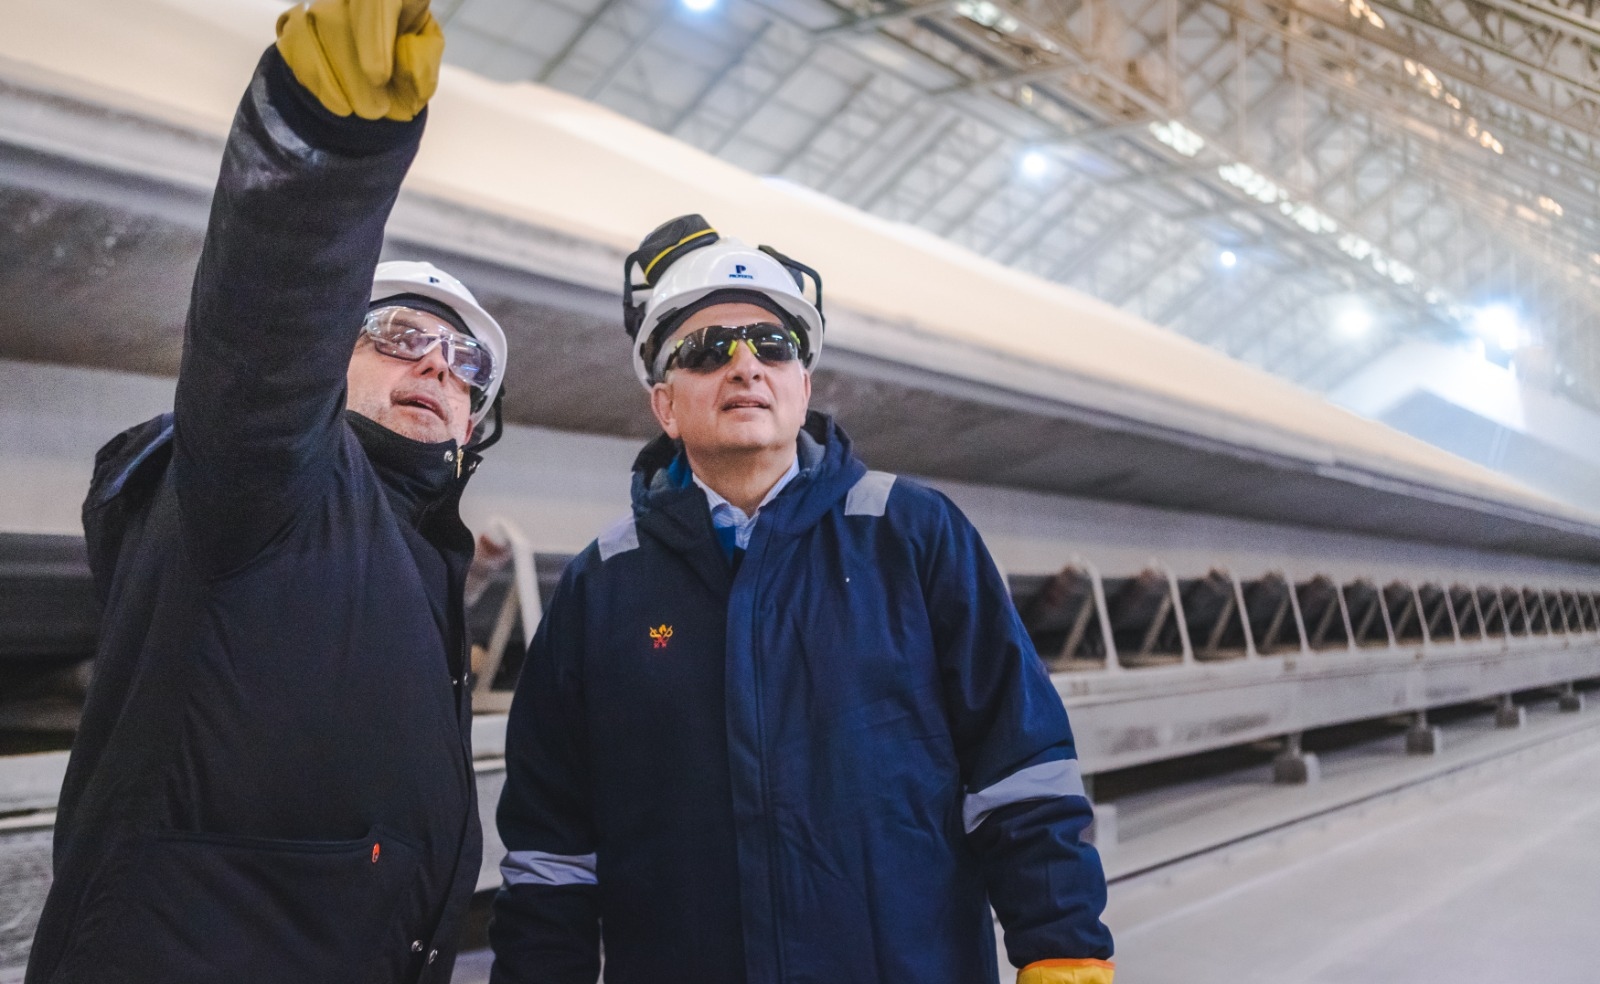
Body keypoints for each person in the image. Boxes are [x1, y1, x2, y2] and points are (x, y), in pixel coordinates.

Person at [490, 216, 1114, 984]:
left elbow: (1019, 766)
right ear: (665, 405)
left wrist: (1064, 948)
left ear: (802, 385)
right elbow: (552, 848)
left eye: (772, 345)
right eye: (707, 350)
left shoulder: (911, 536)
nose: (745, 365)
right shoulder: (603, 587)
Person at [25, 3, 506, 983]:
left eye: (464, 366)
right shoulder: (273, 482)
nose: (436, 367)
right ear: (334, 353)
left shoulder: (422, 556)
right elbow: (270, 324)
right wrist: (328, 144)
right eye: (400, 337)